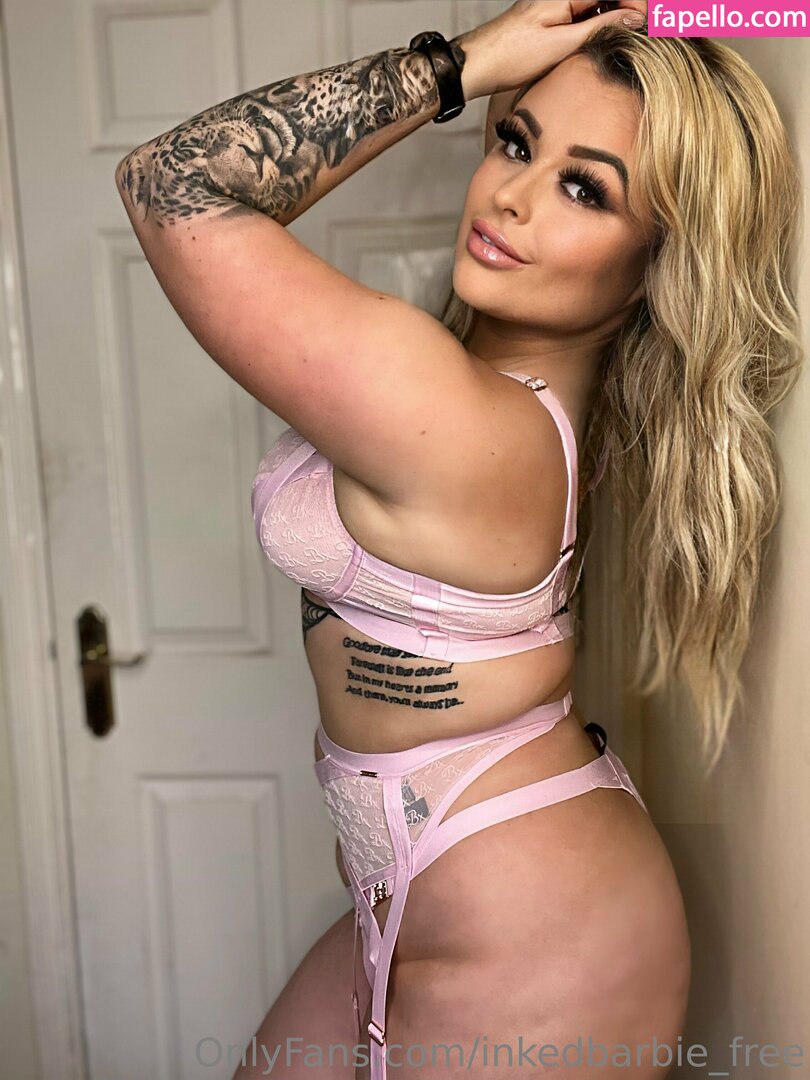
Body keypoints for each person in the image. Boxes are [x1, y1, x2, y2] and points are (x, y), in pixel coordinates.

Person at [114, 1, 803, 1076]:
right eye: (517, 141)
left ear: (654, 265)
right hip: (423, 889)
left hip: (542, 939)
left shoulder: (461, 417)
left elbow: (172, 183)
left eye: (586, 189)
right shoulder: (495, 390)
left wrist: (462, 62)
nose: (512, 195)